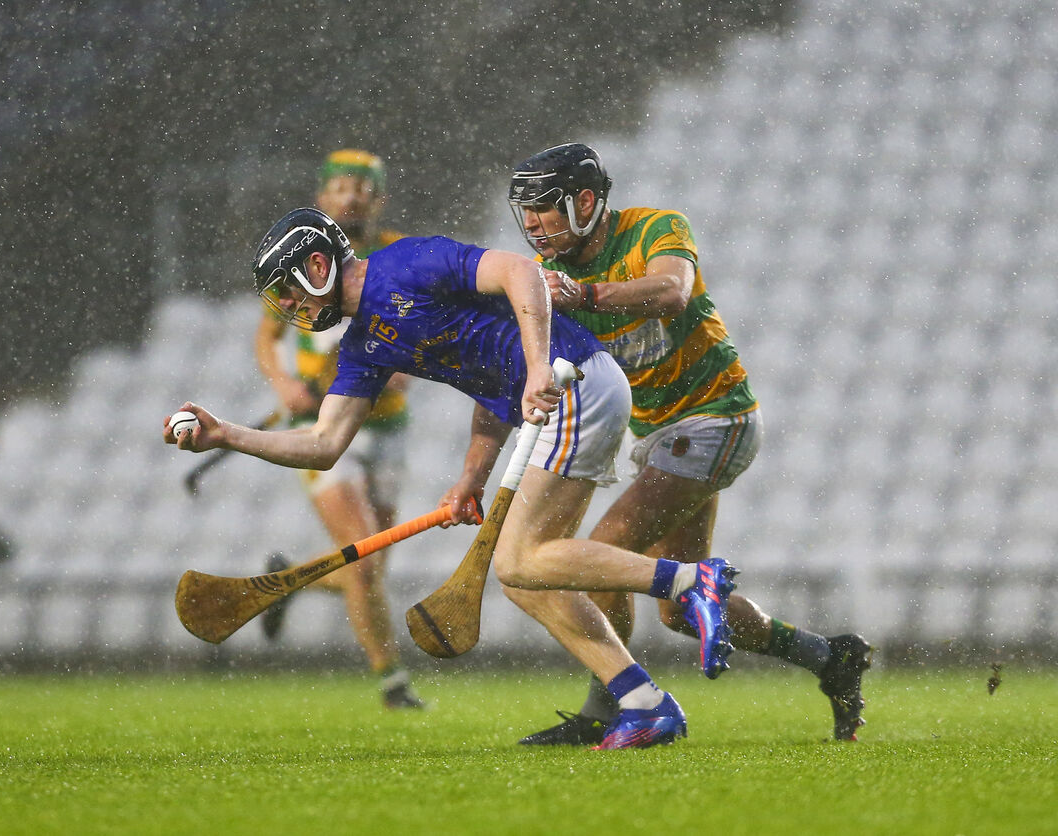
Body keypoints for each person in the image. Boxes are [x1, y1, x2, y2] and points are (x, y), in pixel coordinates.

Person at [166, 206, 739, 750]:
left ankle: (691, 583)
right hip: (560, 398)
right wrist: (228, 435)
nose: (288, 307)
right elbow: (323, 445)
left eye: (288, 290)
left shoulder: (408, 261)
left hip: (573, 381)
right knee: (522, 576)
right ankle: (642, 701)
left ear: (318, 266)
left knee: (517, 560)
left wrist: (538, 364)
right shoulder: (363, 345)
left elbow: (523, 273)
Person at [505, 143, 872, 744]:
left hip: (715, 420)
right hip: (661, 438)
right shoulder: (552, 276)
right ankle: (828, 656)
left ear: (588, 201)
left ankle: (614, 707)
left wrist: (583, 297)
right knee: (679, 609)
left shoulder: (654, 227)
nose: (534, 223)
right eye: (527, 211)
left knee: (605, 552)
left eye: (546, 207)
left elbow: (671, 291)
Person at [252, 149, 423, 710]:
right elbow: (266, 336)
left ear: (380, 198)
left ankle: (286, 581)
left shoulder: (398, 253)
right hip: (319, 425)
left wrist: (406, 362)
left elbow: (418, 331)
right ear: (322, 196)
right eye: (339, 187)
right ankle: (393, 683)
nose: (351, 197)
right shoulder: (301, 255)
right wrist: (283, 384)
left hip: (388, 427)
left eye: (362, 187)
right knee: (365, 559)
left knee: (369, 567)